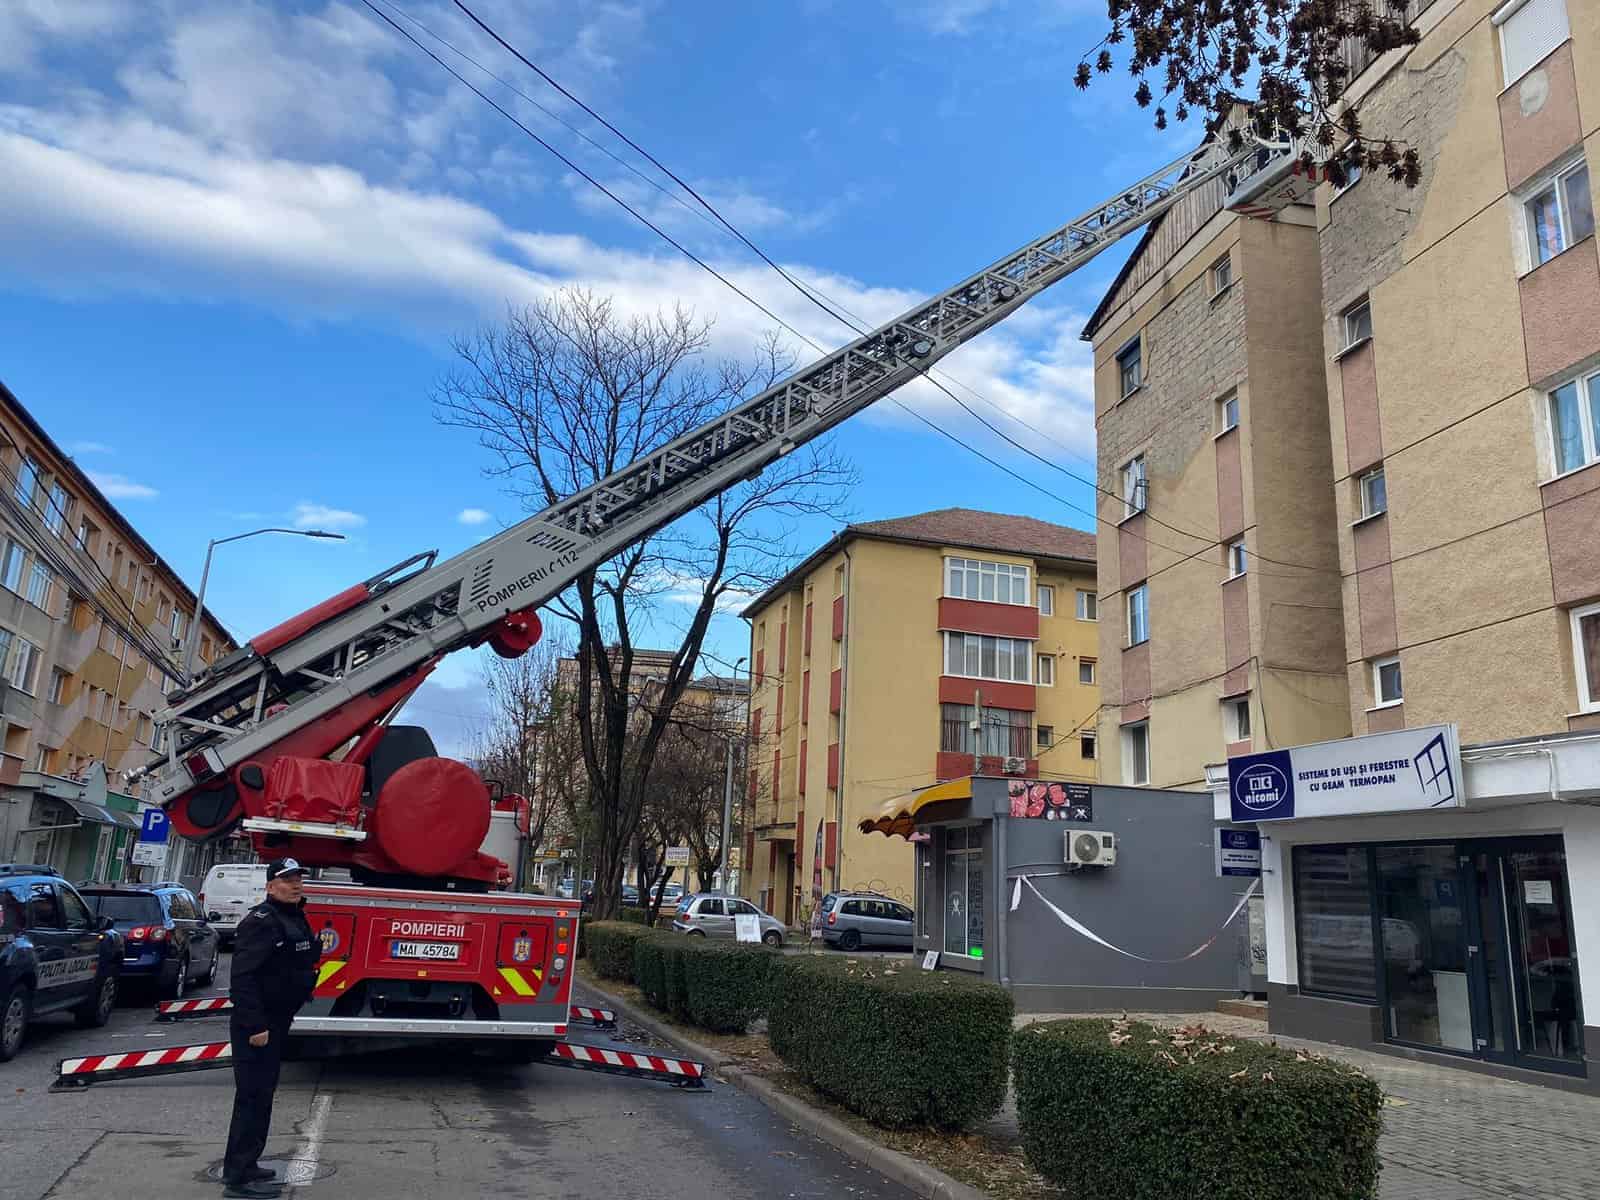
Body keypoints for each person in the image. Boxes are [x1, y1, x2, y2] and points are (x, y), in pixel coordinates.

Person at [221, 858, 321, 1198]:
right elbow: (243, 978)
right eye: (286, 880)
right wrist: (256, 1025)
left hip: (277, 1021)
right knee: (251, 1098)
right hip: (259, 1026)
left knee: (263, 1096)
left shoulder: (292, 917)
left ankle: (249, 1164)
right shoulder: (261, 922)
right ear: (269, 886)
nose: (295, 885)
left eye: (297, 879)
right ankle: (237, 1177)